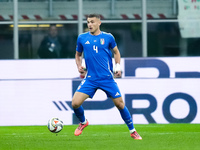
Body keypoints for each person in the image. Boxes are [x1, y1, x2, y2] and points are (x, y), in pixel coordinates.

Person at [72, 14, 142, 140]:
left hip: (107, 78)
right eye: (88, 22)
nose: (89, 25)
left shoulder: (108, 37)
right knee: (75, 103)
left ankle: (133, 131)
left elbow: (116, 52)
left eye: (92, 22)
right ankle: (83, 122)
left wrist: (118, 66)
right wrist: (79, 66)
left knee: (120, 104)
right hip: (90, 79)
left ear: (99, 23)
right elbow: (78, 55)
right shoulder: (82, 38)